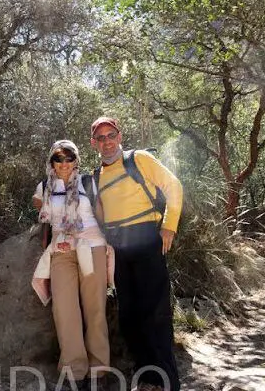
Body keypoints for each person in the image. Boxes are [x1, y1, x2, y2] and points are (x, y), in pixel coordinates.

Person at [89, 117, 183, 391]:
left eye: (111, 135)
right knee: (129, 316)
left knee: (156, 313)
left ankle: (167, 382)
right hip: (119, 249)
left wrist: (169, 226)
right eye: (101, 138)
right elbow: (100, 217)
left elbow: (173, 186)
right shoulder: (97, 177)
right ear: (94, 143)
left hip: (147, 240)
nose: (107, 142)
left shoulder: (138, 159)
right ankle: (147, 379)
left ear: (119, 136)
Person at [31, 140, 113, 391]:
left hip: (92, 247)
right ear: (51, 161)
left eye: (69, 158)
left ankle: (99, 370)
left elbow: (102, 215)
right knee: (64, 311)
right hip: (61, 251)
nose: (64, 164)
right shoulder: (44, 187)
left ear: (77, 160)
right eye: (59, 158)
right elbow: (44, 217)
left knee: (95, 309)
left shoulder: (89, 182)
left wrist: (111, 245)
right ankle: (75, 372)